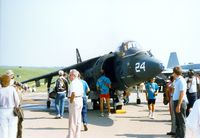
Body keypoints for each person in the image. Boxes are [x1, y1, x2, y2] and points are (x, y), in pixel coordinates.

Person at [6, 70, 24, 138]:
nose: (11, 76)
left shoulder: (16, 83)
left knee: (18, 125)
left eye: (12, 75)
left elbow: (23, 87)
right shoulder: (5, 85)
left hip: (15, 108)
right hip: (13, 108)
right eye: (10, 75)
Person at [67, 69, 84, 138]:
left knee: (72, 121)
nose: (69, 76)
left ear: (73, 75)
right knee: (78, 120)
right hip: (80, 100)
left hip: (74, 101)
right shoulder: (80, 82)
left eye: (70, 75)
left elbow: (73, 93)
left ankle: (71, 136)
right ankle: (77, 135)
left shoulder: (73, 83)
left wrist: (71, 101)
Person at [172, 66, 187, 138]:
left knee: (182, 122)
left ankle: (182, 136)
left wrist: (179, 105)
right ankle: (178, 136)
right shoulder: (177, 80)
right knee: (178, 122)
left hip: (180, 102)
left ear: (175, 73)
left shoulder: (181, 80)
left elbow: (182, 93)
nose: (172, 74)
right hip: (177, 101)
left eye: (173, 73)